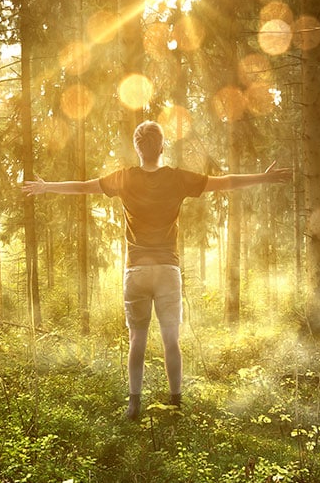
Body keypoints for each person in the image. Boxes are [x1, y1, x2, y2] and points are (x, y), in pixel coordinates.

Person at [22, 121, 291, 420]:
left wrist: (47, 187)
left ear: (137, 149)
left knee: (137, 340)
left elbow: (85, 187)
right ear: (162, 146)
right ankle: (175, 403)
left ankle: (134, 405)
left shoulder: (123, 178)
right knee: (170, 340)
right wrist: (263, 179)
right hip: (166, 270)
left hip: (136, 270)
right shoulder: (177, 179)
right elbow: (223, 181)